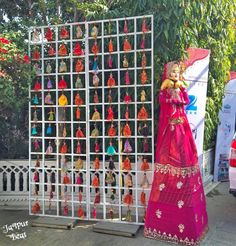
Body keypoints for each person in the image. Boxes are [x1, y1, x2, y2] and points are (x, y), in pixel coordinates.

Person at [144, 61, 208, 245]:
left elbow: (186, 101)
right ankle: (166, 206)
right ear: (167, 73)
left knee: (184, 159)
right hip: (170, 130)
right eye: (172, 71)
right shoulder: (165, 90)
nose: (175, 74)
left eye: (177, 72)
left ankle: (185, 209)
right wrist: (170, 94)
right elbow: (164, 103)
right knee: (169, 161)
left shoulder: (179, 88)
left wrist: (181, 89)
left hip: (182, 130)